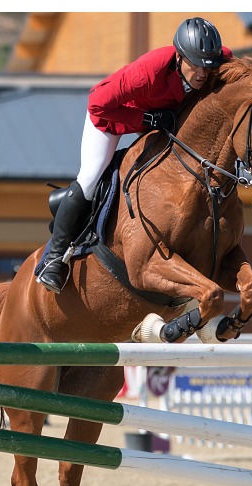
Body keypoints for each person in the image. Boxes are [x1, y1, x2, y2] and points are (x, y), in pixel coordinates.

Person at [37, 17, 232, 294]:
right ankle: (54, 260)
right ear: (179, 57)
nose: (202, 73)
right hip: (113, 116)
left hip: (161, 122)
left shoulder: (217, 60)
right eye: (195, 64)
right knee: (91, 177)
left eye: (208, 65)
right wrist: (148, 118)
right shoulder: (148, 73)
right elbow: (97, 103)